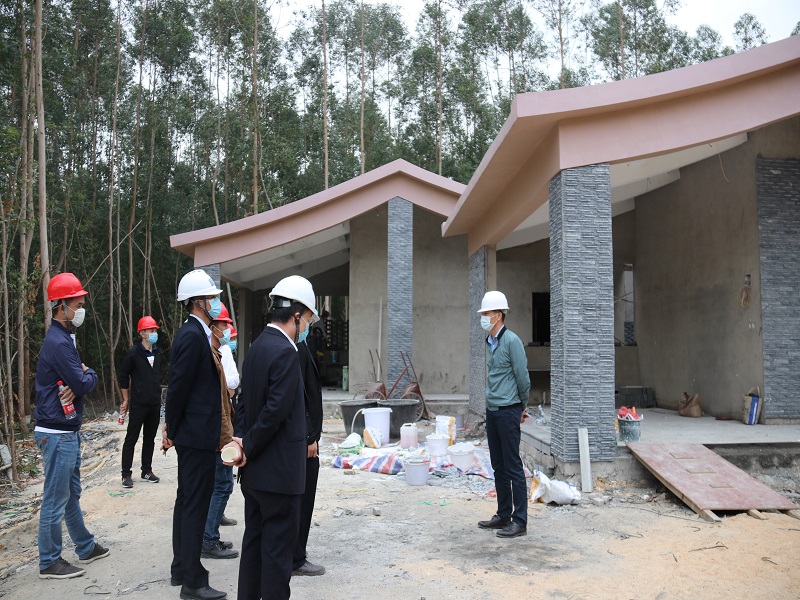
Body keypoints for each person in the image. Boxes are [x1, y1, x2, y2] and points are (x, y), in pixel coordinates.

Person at [229, 275, 318, 600]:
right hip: (279, 476)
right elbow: (275, 412)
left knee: (254, 546)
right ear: (295, 315)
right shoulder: (285, 352)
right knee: (278, 557)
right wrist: (247, 444)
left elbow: (243, 403)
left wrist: (240, 440)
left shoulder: (256, 348)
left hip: (254, 477)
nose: (306, 325)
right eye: (307, 318)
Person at [34, 272, 109, 579]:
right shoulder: (59, 342)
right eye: (77, 303)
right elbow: (81, 380)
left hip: (64, 432)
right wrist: (87, 375)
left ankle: (85, 546)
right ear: (61, 305)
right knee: (56, 496)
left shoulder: (63, 338)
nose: (81, 309)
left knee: (70, 493)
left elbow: (77, 382)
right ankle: (49, 560)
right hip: (57, 433)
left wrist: (81, 379)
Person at [162, 269, 227, 600]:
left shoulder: (197, 333)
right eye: (212, 298)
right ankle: (193, 581)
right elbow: (177, 389)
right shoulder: (191, 336)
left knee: (187, 502)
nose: (216, 303)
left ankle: (180, 569)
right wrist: (171, 428)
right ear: (198, 302)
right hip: (195, 436)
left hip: (195, 434)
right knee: (194, 506)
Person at [476, 291, 531, 539]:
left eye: (486, 314)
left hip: (509, 410)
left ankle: (520, 521)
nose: (483, 318)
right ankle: (503, 514)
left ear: (498, 315)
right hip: (493, 411)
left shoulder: (512, 342)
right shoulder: (490, 342)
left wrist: (523, 406)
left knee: (513, 467)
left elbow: (523, 377)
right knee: (498, 466)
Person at [202, 303, 239, 560]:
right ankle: (208, 539)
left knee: (222, 485)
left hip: (223, 431)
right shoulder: (211, 355)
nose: (228, 330)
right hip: (218, 435)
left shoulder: (218, 352)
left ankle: (210, 535)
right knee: (222, 484)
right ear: (214, 327)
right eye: (225, 324)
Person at [292, 338, 325, 576]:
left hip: (306, 436)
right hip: (304, 440)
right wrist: (309, 436)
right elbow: (299, 397)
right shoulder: (292, 350)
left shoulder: (301, 347)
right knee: (302, 500)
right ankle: (296, 557)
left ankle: (296, 553)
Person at [119, 316, 164, 488]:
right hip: (138, 404)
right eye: (151, 330)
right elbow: (124, 376)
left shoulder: (158, 353)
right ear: (142, 333)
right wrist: (126, 398)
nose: (154, 333)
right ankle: (126, 474)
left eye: (155, 330)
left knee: (150, 438)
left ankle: (146, 470)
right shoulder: (133, 353)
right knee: (131, 438)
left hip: (154, 403)